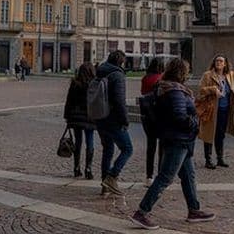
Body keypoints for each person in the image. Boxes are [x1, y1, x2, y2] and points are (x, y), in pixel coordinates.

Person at [130, 58, 216, 230]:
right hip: (178, 140)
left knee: (189, 176)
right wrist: (194, 120)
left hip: (180, 139)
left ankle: (194, 210)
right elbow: (179, 117)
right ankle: (141, 212)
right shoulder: (175, 91)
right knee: (165, 177)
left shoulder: (168, 88)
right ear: (181, 73)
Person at [96, 50, 133, 196]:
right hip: (113, 119)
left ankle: (105, 186)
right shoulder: (117, 75)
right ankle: (111, 177)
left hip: (100, 117)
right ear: (121, 62)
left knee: (108, 150)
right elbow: (119, 101)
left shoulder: (100, 71)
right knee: (127, 149)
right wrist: (124, 120)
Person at [64, 63, 97, 178]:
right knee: (90, 142)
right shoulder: (94, 84)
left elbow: (69, 101)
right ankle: (88, 168)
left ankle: (76, 167)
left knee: (78, 142)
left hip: (76, 117)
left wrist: (67, 116)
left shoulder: (75, 84)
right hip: (90, 117)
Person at [140, 57, 165, 187]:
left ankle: (148, 176)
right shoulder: (161, 78)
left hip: (147, 116)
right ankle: (160, 174)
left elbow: (143, 93)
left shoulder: (145, 78)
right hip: (160, 115)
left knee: (150, 148)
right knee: (162, 147)